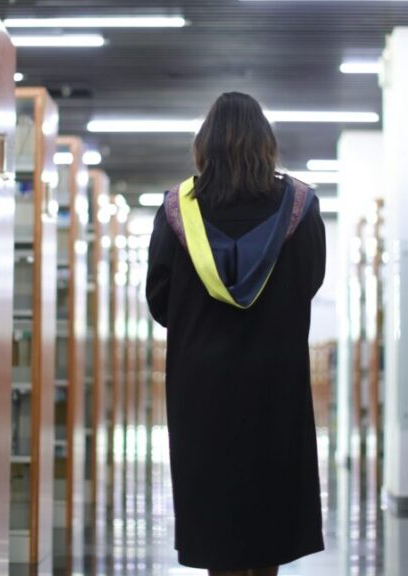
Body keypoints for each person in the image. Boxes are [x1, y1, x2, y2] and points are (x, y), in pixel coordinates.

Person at [146, 92, 326, 576]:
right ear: (266, 144)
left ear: (204, 145)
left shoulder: (177, 210)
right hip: (276, 379)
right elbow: (309, 282)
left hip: (202, 383)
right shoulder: (300, 207)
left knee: (215, 506)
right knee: (270, 507)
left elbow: (160, 300)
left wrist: (199, 319)